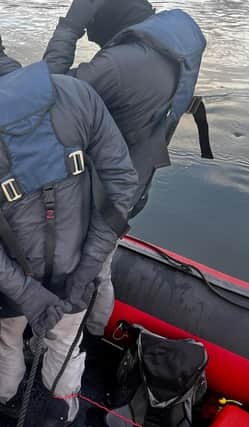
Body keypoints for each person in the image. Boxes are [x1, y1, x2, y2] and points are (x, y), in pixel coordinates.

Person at [0, 21, 138, 425]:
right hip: (78, 265)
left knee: (8, 341)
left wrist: (25, 292)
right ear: (2, 56)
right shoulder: (77, 92)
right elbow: (123, 185)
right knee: (66, 343)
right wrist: (85, 269)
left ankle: (7, 396)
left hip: (11, 283)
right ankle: (62, 408)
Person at [43, 0, 207, 341]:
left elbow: (47, 93)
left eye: (92, 28)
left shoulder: (121, 64)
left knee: (79, 269)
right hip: (133, 183)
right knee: (102, 266)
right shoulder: (169, 47)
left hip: (99, 193)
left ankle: (70, 340)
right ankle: (97, 331)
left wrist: (69, 28)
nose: (91, 39)